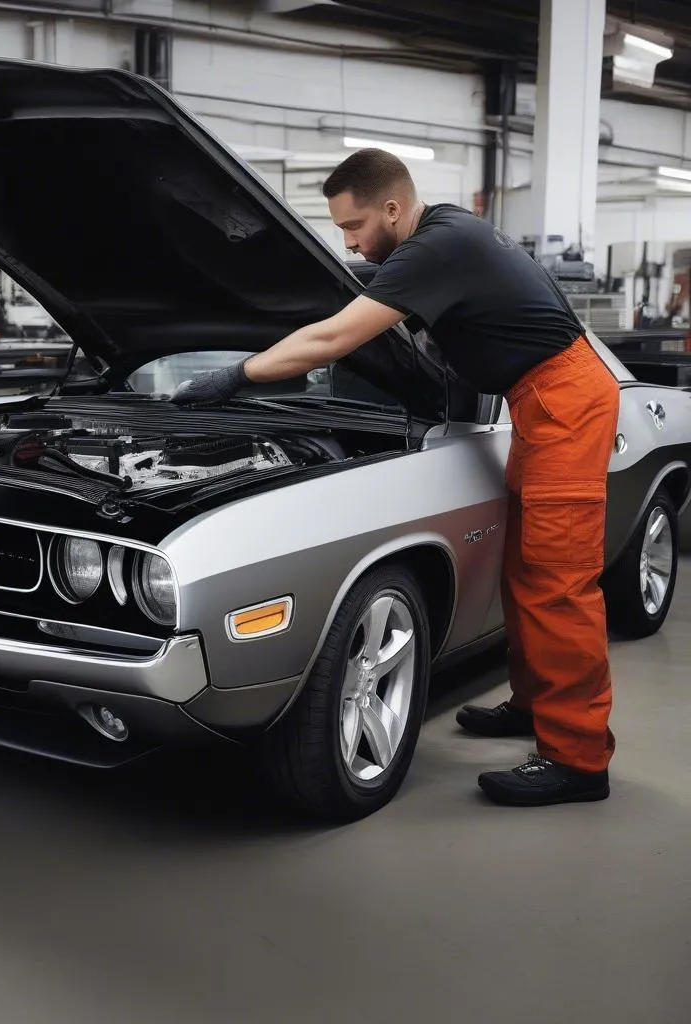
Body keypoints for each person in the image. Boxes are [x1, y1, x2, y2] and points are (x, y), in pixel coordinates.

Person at [171, 148, 619, 807]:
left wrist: (234, 377)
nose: (349, 243)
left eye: (353, 228)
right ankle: (534, 707)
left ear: (391, 209)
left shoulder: (435, 248)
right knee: (527, 572)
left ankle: (580, 760)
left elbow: (331, 341)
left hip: (564, 403)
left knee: (558, 584)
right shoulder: (447, 235)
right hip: (541, 401)